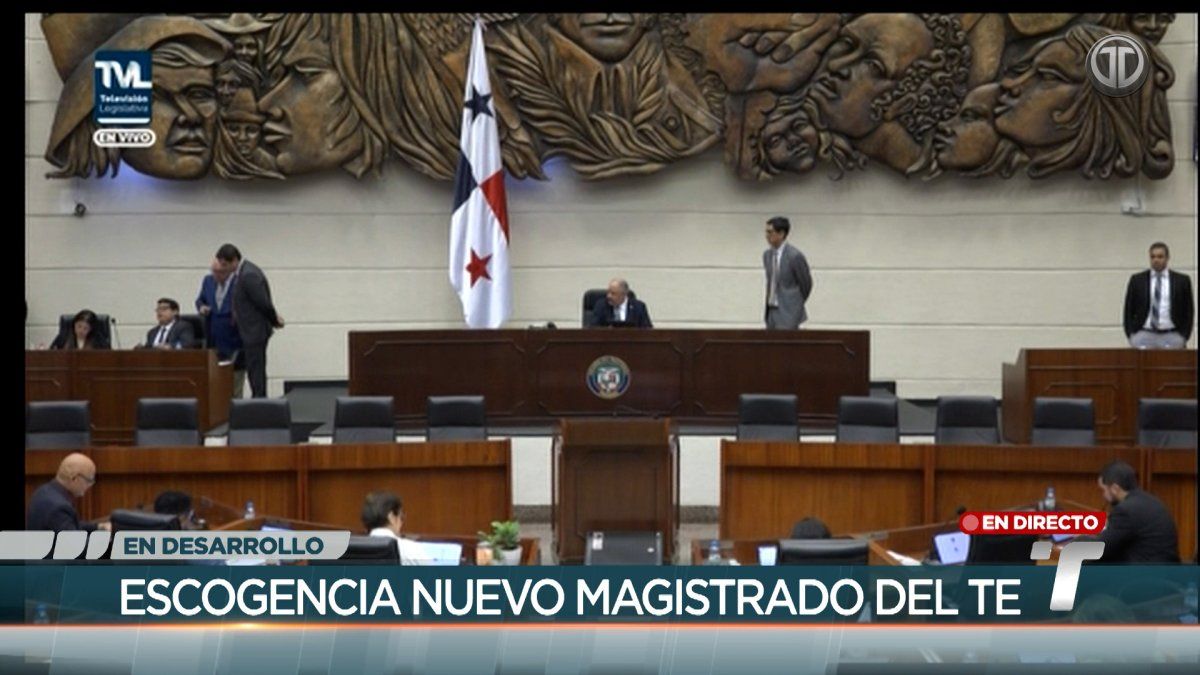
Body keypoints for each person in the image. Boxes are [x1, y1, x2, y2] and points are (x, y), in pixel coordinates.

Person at [215, 243, 283, 398]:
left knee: (256, 369)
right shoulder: (243, 272)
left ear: (234, 260)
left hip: (255, 330)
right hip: (250, 330)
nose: (223, 268)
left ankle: (259, 401)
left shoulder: (249, 275)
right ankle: (258, 399)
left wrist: (274, 320)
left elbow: (263, 303)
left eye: (225, 264)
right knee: (253, 368)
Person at [1090, 460, 1180, 563]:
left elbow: (1100, 549)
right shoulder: (1150, 500)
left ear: (1115, 488)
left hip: (1146, 574)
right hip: (1166, 570)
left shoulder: (1125, 510)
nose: (1103, 495)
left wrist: (1079, 541)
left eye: (1103, 490)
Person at [1123, 242, 1194, 349]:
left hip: (1172, 334)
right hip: (1144, 333)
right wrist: (1131, 335)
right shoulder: (1137, 280)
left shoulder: (1182, 281)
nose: (1156, 260)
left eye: (1160, 257)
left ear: (1167, 258)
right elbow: (1128, 309)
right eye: (1153, 257)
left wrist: (1184, 335)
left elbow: (1189, 310)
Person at [196, 258, 246, 397]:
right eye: (215, 272)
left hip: (234, 339)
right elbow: (200, 300)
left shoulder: (239, 282)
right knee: (216, 387)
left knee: (235, 385)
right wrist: (201, 307)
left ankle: (235, 414)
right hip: (214, 339)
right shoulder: (208, 281)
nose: (217, 276)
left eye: (221, 272)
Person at [27, 453, 110, 532]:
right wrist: (105, 535)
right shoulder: (59, 508)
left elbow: (71, 525)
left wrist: (98, 527)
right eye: (89, 480)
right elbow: (76, 544)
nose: (90, 485)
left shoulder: (44, 491)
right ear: (75, 478)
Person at [763, 216, 813, 329]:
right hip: (771, 310)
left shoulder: (794, 256)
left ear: (781, 234)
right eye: (766, 232)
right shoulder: (767, 255)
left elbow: (806, 284)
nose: (767, 236)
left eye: (770, 232)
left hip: (789, 311)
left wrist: (795, 303)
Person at [360, 491, 429, 565]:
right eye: (401, 517)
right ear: (391, 517)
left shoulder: (354, 550)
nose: (401, 523)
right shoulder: (411, 550)